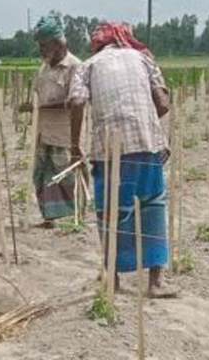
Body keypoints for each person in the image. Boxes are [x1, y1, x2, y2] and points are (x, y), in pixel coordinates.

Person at [68, 21, 175, 298]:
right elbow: (163, 104)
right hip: (147, 145)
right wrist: (149, 127)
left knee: (111, 213)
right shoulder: (143, 58)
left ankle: (113, 280)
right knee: (152, 208)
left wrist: (75, 144)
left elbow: (77, 102)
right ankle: (155, 283)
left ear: (98, 43)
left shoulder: (88, 66)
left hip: (109, 149)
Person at [18, 15, 82, 228]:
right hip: (43, 131)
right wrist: (33, 106)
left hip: (64, 132)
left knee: (66, 174)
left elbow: (75, 102)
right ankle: (49, 218)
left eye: (43, 45)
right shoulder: (43, 68)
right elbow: (39, 96)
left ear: (57, 43)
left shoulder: (75, 66)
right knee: (42, 174)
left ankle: (77, 216)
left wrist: (39, 107)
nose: (41, 50)